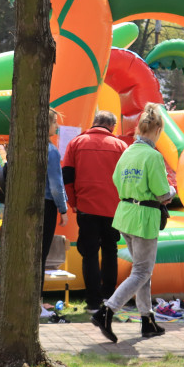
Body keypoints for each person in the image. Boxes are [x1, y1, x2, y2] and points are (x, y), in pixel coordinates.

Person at [92, 103, 175, 342]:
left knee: (142, 272)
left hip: (126, 215)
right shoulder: (153, 156)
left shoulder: (128, 152)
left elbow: (117, 180)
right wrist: (170, 188)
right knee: (141, 272)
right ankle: (107, 311)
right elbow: (162, 194)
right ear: (158, 129)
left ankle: (147, 320)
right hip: (144, 218)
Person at [61, 110, 128, 312]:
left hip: (86, 208)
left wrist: (74, 203)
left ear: (94, 123)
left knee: (89, 254)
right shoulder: (121, 146)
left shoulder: (76, 143)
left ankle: (92, 301)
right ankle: (109, 298)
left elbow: (67, 176)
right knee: (111, 251)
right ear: (112, 127)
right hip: (112, 209)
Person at [41, 109, 69, 318]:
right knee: (40, 255)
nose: (57, 127)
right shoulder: (50, 150)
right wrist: (63, 209)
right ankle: (37, 302)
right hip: (46, 206)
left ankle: (34, 300)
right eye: (54, 123)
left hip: (29, 206)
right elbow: (56, 185)